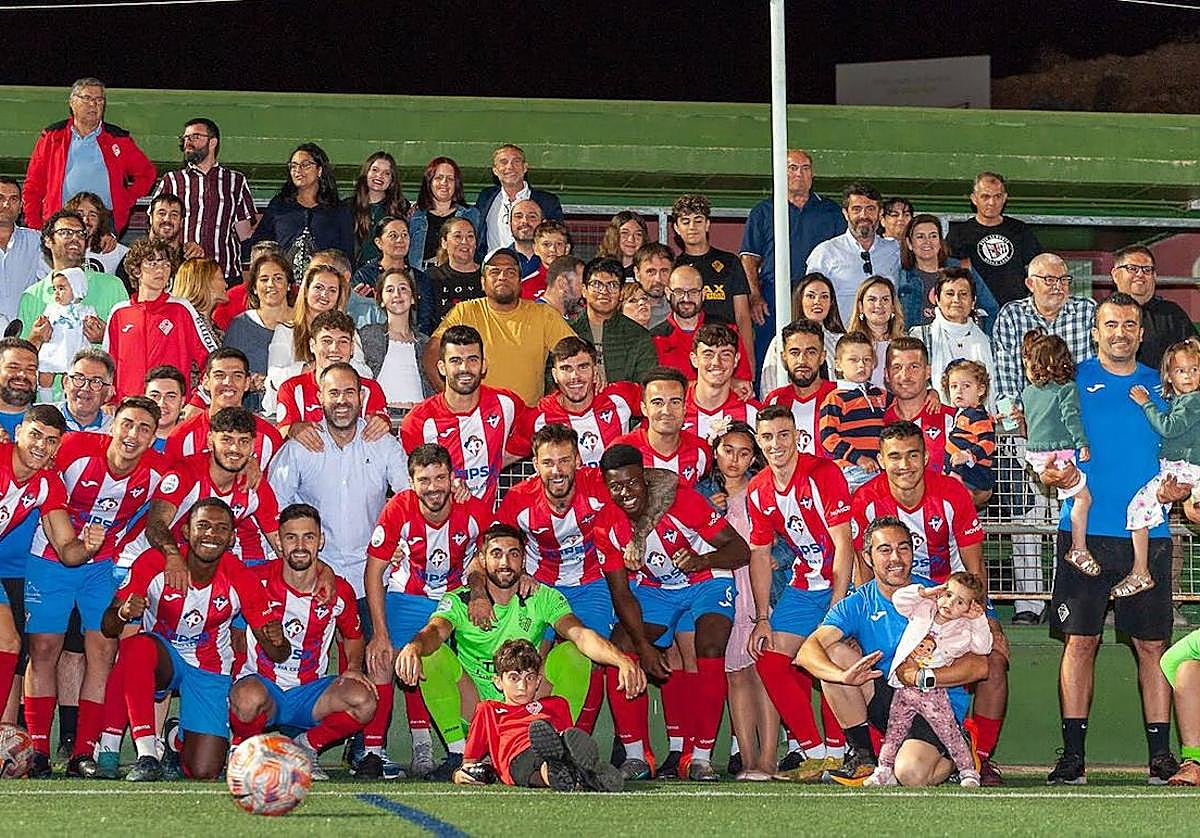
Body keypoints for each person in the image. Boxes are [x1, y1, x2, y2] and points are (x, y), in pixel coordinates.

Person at [1042, 292, 1178, 786]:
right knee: (1080, 642)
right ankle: (1073, 757)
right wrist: (1053, 474)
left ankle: (1161, 757)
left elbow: (1182, 450)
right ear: (1095, 331)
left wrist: (1181, 487)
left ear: (1141, 334)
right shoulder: (1070, 380)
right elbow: (1048, 449)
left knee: (1152, 647)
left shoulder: (1165, 385)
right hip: (1084, 533)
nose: (1120, 333)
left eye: (1129, 325)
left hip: (1149, 534)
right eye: (1111, 324)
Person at [395, 523, 645, 780]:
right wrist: (414, 647)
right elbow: (435, 631)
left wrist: (621, 660)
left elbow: (580, 634)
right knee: (430, 654)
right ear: (482, 560)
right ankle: (461, 755)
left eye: (513, 554)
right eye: (496, 554)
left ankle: (560, 746)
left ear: (524, 560)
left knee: (574, 653)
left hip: (527, 709)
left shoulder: (543, 597)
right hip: (478, 712)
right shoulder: (460, 599)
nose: (505, 562)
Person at [850, 421, 1008, 783]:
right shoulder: (866, 499)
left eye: (912, 455)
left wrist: (984, 617)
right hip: (898, 601)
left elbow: (974, 566)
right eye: (894, 457)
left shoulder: (951, 494)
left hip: (951, 601)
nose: (904, 465)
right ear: (881, 460)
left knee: (995, 660)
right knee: (858, 656)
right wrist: (862, 620)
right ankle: (870, 752)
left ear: (925, 458)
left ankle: (980, 756)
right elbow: (863, 567)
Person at [23, 396, 166, 778]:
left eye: (144, 428)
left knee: (102, 651)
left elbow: (191, 479)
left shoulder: (158, 470)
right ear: (112, 425)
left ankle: (82, 753)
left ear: (154, 437)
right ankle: (38, 750)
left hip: (101, 568)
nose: (133, 434)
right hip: (49, 558)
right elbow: (35, 462)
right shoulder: (74, 448)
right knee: (44, 649)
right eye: (127, 424)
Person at [99, 498, 289, 781]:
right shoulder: (153, 562)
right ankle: (147, 754)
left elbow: (277, 653)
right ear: (187, 531)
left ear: (232, 539)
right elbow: (108, 627)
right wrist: (123, 612)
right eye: (203, 526)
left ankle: (176, 737)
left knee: (204, 770)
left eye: (221, 528)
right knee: (136, 647)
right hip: (163, 657)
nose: (212, 534)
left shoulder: (240, 576)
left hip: (209, 668)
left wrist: (279, 640)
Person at [594, 444, 749, 781]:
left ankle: (701, 758)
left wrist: (702, 560)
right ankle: (637, 758)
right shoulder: (606, 525)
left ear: (645, 478)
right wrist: (644, 646)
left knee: (710, 647)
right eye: (616, 486)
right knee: (620, 648)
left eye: (632, 483)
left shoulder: (683, 502)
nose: (626, 493)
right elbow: (621, 593)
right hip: (657, 589)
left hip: (707, 580)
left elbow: (740, 550)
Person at [797, 516, 990, 786]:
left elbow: (980, 667)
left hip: (936, 702)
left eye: (903, 548)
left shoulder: (941, 596)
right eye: (885, 550)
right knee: (833, 654)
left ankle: (959, 749)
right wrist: (843, 677)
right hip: (892, 697)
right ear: (868, 557)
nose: (896, 558)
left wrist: (922, 677)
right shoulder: (859, 602)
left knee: (911, 775)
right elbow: (806, 651)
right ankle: (864, 758)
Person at [361, 443, 491, 778]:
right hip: (407, 597)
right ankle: (372, 753)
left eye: (439, 478)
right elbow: (374, 570)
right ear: (411, 482)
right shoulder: (398, 508)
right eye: (424, 480)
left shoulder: (473, 509)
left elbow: (491, 555)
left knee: (440, 661)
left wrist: (479, 593)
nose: (433, 487)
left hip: (454, 600)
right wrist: (380, 633)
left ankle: (441, 747)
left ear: (452, 478)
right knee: (383, 659)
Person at [227, 504, 374, 780]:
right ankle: (243, 750)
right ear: (279, 542)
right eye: (291, 537)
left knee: (363, 699)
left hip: (309, 694)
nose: (300, 546)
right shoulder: (255, 580)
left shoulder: (339, 590)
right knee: (246, 698)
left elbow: (354, 636)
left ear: (321, 541)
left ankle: (305, 747)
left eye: (309, 537)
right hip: (265, 687)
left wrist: (354, 667)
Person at [746, 406, 853, 778]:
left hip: (844, 582)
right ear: (759, 442)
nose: (776, 444)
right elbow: (759, 554)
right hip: (804, 584)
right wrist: (762, 617)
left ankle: (840, 754)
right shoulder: (758, 489)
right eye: (767, 437)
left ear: (797, 437)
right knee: (769, 658)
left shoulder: (822, 473)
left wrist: (838, 607)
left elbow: (844, 543)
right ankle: (815, 752)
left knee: (831, 656)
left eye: (783, 435)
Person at [992, 253, 1096, 625]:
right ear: (1029, 283)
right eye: (1048, 279)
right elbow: (1005, 378)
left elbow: (1092, 373)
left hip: (1075, 436)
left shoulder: (1087, 312)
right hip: (1027, 435)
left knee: (1069, 517)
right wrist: (1017, 423)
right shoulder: (1011, 316)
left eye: (1063, 279)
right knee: (1027, 519)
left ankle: (1064, 599)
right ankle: (1029, 603)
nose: (1057, 287)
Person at [494, 425, 619, 730]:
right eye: (548, 463)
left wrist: (636, 541)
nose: (557, 470)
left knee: (592, 659)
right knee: (529, 661)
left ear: (578, 459)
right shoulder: (519, 498)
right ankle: (525, 732)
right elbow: (496, 545)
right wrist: (521, 573)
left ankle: (580, 737)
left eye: (564, 460)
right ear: (535, 465)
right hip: (541, 585)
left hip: (591, 583)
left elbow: (646, 487)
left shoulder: (599, 485)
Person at [269, 361, 410, 607]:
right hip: (313, 576)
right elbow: (272, 507)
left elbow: (410, 499)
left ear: (361, 397)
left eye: (349, 392)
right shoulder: (298, 448)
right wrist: (299, 559)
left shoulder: (384, 444)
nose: (342, 401)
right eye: (333, 393)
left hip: (374, 576)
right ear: (320, 398)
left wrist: (400, 542)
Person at [0, 405, 100, 747]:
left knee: (9, 643)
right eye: (35, 435)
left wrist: (87, 547)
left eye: (51, 440)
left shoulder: (48, 484)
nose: (41, 445)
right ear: (18, 433)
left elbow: (66, 550)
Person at [694, 422, 779, 780]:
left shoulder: (763, 488)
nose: (735, 460)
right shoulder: (701, 493)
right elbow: (685, 539)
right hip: (722, 587)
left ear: (754, 457)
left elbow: (785, 534)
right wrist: (706, 512)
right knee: (736, 675)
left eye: (744, 453)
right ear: (715, 451)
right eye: (728, 450)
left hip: (760, 588)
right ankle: (747, 760)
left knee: (765, 672)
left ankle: (769, 758)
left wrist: (778, 559)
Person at [863, 572, 991, 788]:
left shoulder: (964, 627)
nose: (950, 603)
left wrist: (978, 619)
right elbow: (899, 599)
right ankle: (883, 770)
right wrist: (924, 592)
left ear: (969, 608)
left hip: (933, 692)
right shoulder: (923, 608)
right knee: (895, 730)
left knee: (949, 732)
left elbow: (983, 647)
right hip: (904, 688)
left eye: (960, 602)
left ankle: (968, 770)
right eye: (948, 594)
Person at [121, 406, 282, 573]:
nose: (235, 449)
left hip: (195, 565)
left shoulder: (255, 484)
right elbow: (156, 525)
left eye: (243, 441)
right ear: (210, 441)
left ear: (253, 446)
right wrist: (174, 556)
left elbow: (277, 540)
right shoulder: (186, 473)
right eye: (226, 440)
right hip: (140, 558)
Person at [456, 638, 624, 792]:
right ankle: (578, 776)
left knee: (560, 746)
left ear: (538, 681)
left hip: (555, 747)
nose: (522, 686)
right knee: (536, 759)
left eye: (529, 678)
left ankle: (575, 774)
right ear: (499, 682)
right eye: (514, 678)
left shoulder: (555, 704)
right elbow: (469, 762)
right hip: (516, 758)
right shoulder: (489, 709)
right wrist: (460, 775)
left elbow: (571, 741)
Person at [739, 149, 846, 378]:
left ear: (812, 174)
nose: (799, 173)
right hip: (773, 299)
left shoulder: (831, 211)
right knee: (772, 354)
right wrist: (754, 296)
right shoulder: (764, 211)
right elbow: (749, 257)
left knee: (821, 355)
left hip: (819, 301)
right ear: (781, 172)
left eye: (805, 168)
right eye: (792, 168)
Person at [427, 249, 573, 405]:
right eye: (495, 272)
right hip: (478, 415)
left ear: (520, 282)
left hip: (527, 416)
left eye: (511, 272)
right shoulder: (465, 312)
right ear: (482, 282)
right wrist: (453, 400)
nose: (503, 277)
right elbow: (431, 353)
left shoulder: (543, 314)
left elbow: (575, 354)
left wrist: (556, 403)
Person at [402, 325, 524, 509]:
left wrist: (498, 458)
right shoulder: (417, 422)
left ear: (484, 365)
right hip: (439, 522)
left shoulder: (506, 403)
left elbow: (536, 428)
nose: (464, 368)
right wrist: (447, 485)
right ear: (442, 367)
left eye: (472, 360)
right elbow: (414, 484)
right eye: (455, 360)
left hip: (485, 521)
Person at [21, 78, 156, 235]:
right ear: (72, 103)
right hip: (60, 222)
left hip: (104, 225)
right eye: (87, 98)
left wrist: (125, 200)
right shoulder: (52, 137)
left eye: (99, 100)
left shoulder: (118, 139)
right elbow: (33, 186)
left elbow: (147, 173)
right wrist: (35, 228)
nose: (93, 104)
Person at [1124, 338, 1200, 599]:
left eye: (1194, 369)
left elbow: (1169, 428)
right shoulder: (1183, 401)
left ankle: (1140, 571)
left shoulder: (1192, 401)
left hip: (1182, 469)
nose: (1188, 376)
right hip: (1184, 469)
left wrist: (1146, 403)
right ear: (1169, 375)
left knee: (1137, 510)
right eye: (1181, 370)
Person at [103, 238, 216, 398]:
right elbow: (106, 367)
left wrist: (198, 400)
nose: (161, 270)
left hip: (170, 407)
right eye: (153, 263)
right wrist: (110, 402)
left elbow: (213, 360)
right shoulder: (119, 312)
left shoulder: (182, 308)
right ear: (136, 270)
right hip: (130, 407)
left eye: (166, 264)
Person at [1021, 330, 1094, 575]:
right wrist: (1082, 442)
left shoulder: (1028, 392)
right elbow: (1071, 416)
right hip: (1059, 453)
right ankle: (1078, 548)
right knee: (1083, 498)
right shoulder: (1066, 388)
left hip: (1035, 456)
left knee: (1069, 498)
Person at [151, 117, 257, 284]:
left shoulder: (235, 181)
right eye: (185, 138)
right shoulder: (171, 180)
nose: (188, 142)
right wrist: (181, 247)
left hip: (224, 276)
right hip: (183, 276)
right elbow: (155, 230)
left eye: (195, 137)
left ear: (213, 142)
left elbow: (244, 235)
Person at [512, 336, 640, 468]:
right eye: (566, 368)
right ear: (555, 375)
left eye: (583, 367)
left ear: (595, 372)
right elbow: (504, 456)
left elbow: (654, 407)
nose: (575, 376)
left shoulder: (621, 396)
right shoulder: (538, 417)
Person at [269, 311, 388, 444]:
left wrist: (380, 424)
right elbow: (281, 433)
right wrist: (293, 429)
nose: (334, 349)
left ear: (352, 348)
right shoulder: (291, 388)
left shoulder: (369, 389)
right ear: (312, 345)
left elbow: (380, 426)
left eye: (343, 341)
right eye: (326, 341)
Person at [672, 194, 755, 375]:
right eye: (685, 222)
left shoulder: (730, 262)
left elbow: (742, 316)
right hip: (690, 352)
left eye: (698, 221)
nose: (692, 227)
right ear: (676, 228)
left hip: (727, 350)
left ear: (708, 224)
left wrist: (749, 363)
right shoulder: (674, 268)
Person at [246, 143, 353, 278]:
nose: (298, 170)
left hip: (323, 284)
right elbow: (259, 243)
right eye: (293, 166)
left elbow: (347, 255)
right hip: (284, 284)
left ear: (320, 170)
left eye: (305, 165)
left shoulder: (338, 210)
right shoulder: (279, 206)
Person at [20, 210, 125, 348]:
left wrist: (106, 338)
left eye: (81, 234)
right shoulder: (32, 295)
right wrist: (35, 339)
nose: (75, 238)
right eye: (66, 232)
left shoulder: (112, 286)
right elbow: (21, 354)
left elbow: (130, 343)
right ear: (48, 241)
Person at [165, 348, 283, 468]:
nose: (228, 382)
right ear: (206, 381)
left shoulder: (269, 437)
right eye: (219, 375)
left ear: (247, 383)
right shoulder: (182, 436)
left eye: (237, 376)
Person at [806, 183, 900, 324]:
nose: (864, 215)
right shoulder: (825, 253)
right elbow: (809, 303)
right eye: (857, 209)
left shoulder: (894, 251)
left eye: (870, 209)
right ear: (845, 213)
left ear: (880, 213)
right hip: (839, 336)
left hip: (885, 335)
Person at [946, 172, 1042, 308]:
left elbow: (1037, 270)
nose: (992, 202)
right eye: (985, 196)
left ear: (1005, 198)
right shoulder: (959, 234)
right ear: (974, 198)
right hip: (976, 310)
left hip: (1015, 309)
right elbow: (949, 277)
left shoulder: (1020, 230)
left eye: (997, 196)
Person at [651, 264, 754, 392]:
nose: (686, 298)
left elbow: (743, 385)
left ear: (704, 294)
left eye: (693, 292)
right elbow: (656, 390)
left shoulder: (727, 331)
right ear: (667, 293)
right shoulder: (655, 338)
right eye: (679, 292)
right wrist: (726, 383)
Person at [911, 268, 997, 410]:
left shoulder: (988, 343)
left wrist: (1009, 417)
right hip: (933, 418)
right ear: (937, 300)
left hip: (982, 420)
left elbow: (999, 389)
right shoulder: (920, 337)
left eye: (963, 294)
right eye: (950, 294)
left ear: (973, 301)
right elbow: (912, 383)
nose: (956, 300)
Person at [613, 366, 712, 487]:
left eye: (675, 402)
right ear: (644, 409)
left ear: (684, 408)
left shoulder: (701, 450)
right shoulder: (622, 450)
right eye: (657, 403)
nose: (666, 411)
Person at [899, 214, 998, 332]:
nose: (927, 242)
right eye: (920, 237)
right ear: (909, 243)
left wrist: (981, 336)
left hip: (961, 341)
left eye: (933, 236)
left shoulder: (962, 269)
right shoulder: (903, 277)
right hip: (917, 342)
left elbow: (991, 309)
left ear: (940, 241)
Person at [567, 257, 657, 387]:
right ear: (584, 290)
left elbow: (646, 386)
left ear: (621, 293)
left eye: (613, 285)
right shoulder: (567, 330)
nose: (604, 291)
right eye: (596, 284)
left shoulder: (639, 336)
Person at [819, 332, 890, 491]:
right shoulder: (835, 398)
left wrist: (931, 394)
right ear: (838, 364)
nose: (861, 365)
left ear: (874, 363)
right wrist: (857, 458)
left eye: (867, 360)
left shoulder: (881, 394)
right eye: (853, 360)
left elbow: (905, 405)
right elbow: (828, 437)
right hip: (852, 470)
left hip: (880, 469)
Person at [222, 252, 294, 408]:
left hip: (296, 410)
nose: (271, 284)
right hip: (249, 410)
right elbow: (225, 370)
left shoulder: (304, 323)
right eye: (264, 279)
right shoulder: (240, 325)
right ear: (254, 287)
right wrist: (247, 381)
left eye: (278, 278)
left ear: (289, 285)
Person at [1109, 245, 1196, 370]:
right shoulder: (1103, 314)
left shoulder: (1172, 315)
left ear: (1154, 276)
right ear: (1115, 275)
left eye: (1147, 270)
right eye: (1132, 268)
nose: (1140, 274)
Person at [265, 260, 352, 382]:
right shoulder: (286, 330)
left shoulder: (347, 331)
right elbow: (274, 377)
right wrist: (314, 367)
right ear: (306, 291)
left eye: (332, 290)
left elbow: (364, 372)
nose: (324, 294)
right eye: (318, 287)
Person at [880, 336, 956, 476]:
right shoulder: (877, 421)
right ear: (886, 374)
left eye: (914, 367)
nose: (905, 375)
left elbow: (981, 484)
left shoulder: (954, 419)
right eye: (897, 367)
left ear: (928, 372)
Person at [360, 267, 435, 409]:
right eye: (390, 290)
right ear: (381, 300)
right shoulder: (367, 335)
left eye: (403, 288)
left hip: (419, 416)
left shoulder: (427, 344)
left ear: (413, 298)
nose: (397, 294)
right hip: (381, 416)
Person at [762, 319, 838, 456]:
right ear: (784, 357)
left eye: (811, 352)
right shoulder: (774, 400)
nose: (802, 360)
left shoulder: (840, 396)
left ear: (822, 357)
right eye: (794, 353)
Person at [758, 273, 844, 393]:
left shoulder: (841, 342)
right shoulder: (780, 342)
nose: (817, 301)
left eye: (824, 296)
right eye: (811, 296)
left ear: (831, 303)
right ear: (800, 300)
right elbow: (769, 387)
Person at [475, 144, 564, 256]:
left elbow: (558, 239)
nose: (510, 167)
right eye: (503, 162)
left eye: (516, 161)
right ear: (495, 170)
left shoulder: (547, 201)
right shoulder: (486, 197)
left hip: (533, 265)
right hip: (493, 265)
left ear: (525, 167)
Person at [684, 324, 759, 440]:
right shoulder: (675, 408)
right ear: (694, 359)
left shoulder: (753, 413)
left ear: (736, 360)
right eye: (708, 354)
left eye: (725, 355)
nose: (716, 362)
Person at [408, 157, 481, 273]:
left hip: (458, 276)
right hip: (420, 276)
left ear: (456, 184)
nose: (444, 183)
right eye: (439, 177)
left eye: (450, 179)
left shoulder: (471, 215)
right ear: (429, 182)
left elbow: (479, 251)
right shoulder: (415, 216)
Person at [33, 269, 96, 399]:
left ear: (76, 288)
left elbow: (92, 327)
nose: (56, 293)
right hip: (53, 347)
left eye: (61, 288)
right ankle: (46, 401)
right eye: (54, 289)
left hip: (75, 348)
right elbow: (44, 325)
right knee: (45, 374)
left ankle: (64, 400)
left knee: (70, 378)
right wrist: (42, 323)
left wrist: (91, 323)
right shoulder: (51, 308)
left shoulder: (85, 310)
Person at [942, 359, 997, 504]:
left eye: (966, 386)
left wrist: (968, 455)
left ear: (980, 390)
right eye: (953, 386)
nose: (959, 391)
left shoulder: (977, 415)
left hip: (971, 474)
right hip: (958, 471)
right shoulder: (962, 413)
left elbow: (989, 442)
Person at [422, 216, 483, 332]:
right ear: (444, 243)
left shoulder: (487, 277)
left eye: (470, 236)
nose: (464, 242)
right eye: (457, 236)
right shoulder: (431, 277)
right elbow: (425, 323)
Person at [348, 151, 410, 267]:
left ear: (392, 180)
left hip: (388, 272)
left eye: (386, 173)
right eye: (375, 170)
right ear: (366, 173)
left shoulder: (401, 208)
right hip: (353, 272)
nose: (379, 176)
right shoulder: (347, 207)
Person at [0, 177, 45, 324]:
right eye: (0, 198)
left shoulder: (37, 241)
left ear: (21, 206)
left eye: (13, 199)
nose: (6, 204)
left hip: (26, 331)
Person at [847, 275, 905, 387]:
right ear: (860, 307)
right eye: (872, 300)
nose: (879, 305)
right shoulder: (848, 345)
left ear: (893, 306)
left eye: (885, 299)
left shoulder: (906, 344)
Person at [59, 191, 127, 278]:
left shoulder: (117, 252)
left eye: (92, 215)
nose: (85, 220)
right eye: (79, 214)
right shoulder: (57, 250)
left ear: (100, 221)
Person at [51, 347, 115, 433]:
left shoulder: (114, 429)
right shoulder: (41, 419)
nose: (85, 388)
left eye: (96, 381)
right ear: (66, 383)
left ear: (109, 392)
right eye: (79, 378)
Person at [170, 257, 227, 348]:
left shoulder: (213, 326)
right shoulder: (185, 325)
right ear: (206, 283)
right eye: (221, 278)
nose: (226, 285)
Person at [523, 221, 574, 302]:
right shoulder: (524, 286)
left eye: (559, 244)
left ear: (567, 249)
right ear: (535, 249)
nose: (553, 249)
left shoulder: (578, 281)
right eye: (546, 244)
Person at [144, 365, 186, 451]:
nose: (161, 404)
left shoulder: (193, 444)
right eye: (155, 395)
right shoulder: (127, 441)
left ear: (182, 401)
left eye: (170, 396)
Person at [633, 242, 674, 329]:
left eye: (664, 271)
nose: (658, 279)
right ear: (637, 274)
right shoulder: (623, 309)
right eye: (650, 272)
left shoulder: (680, 310)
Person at [597, 211, 648, 281]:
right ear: (614, 236)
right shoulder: (600, 268)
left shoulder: (647, 272)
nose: (631, 239)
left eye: (638, 234)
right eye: (625, 233)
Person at [506, 199, 545, 279]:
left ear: (542, 223)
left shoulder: (553, 260)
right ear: (510, 223)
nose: (524, 221)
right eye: (518, 216)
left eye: (532, 217)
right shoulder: (499, 260)